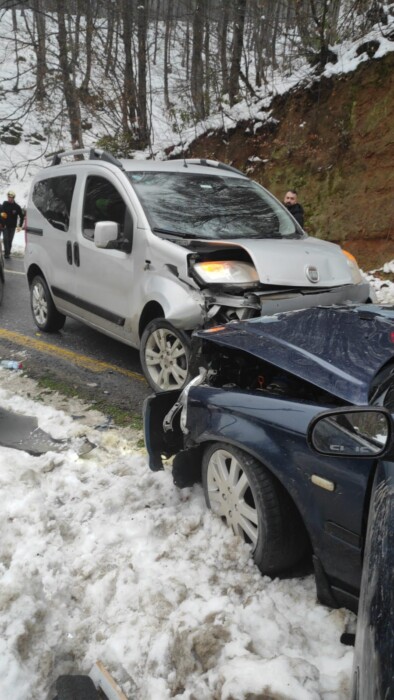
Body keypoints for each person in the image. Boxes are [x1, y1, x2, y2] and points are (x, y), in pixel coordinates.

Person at [0, 190, 24, 258]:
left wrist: (20, 225)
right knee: (5, 239)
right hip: (5, 226)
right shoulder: (4, 204)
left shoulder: (17, 207)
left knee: (10, 240)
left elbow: (21, 216)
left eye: (11, 197)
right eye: (8, 197)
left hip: (12, 227)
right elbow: (1, 213)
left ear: (13, 198)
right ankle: (6, 254)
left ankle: (8, 252)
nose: (9, 199)